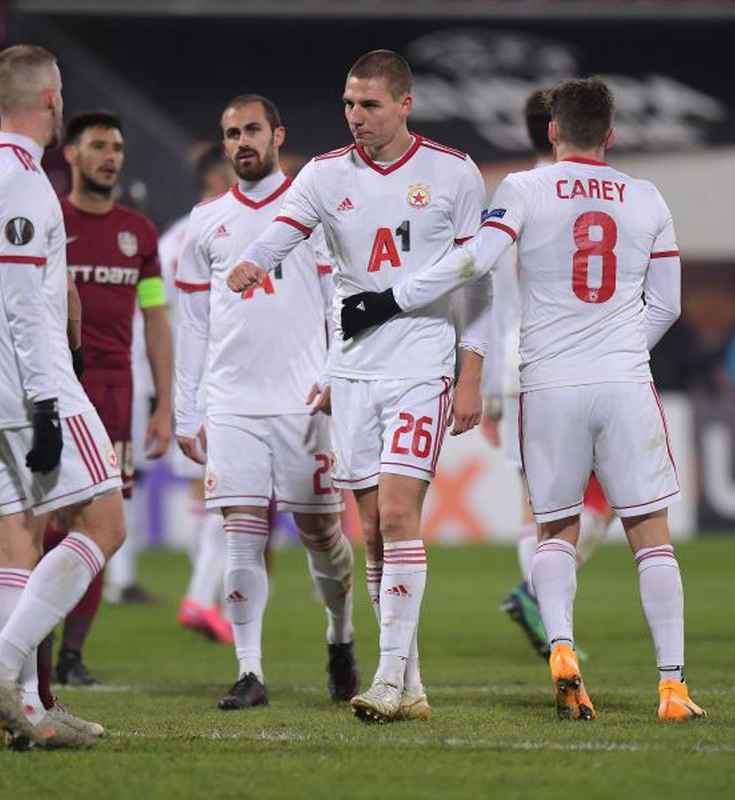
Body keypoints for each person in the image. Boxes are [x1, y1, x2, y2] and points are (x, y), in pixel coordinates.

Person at [341, 77, 706, 723]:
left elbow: (472, 264)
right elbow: (669, 304)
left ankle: (562, 650)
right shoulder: (647, 196)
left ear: (554, 131)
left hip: (548, 383)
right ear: (611, 135)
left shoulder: (523, 189)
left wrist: (388, 299)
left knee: (553, 530)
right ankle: (673, 687)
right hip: (624, 380)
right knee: (651, 537)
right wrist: (621, 348)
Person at [226, 50, 491, 723]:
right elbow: (282, 231)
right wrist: (252, 262)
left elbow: (479, 279)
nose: (356, 117)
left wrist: (472, 371)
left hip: (421, 366)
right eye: (349, 104)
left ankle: (386, 678)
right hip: (351, 371)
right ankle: (411, 684)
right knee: (372, 530)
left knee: (399, 516)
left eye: (370, 105)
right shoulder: (324, 174)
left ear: (405, 104)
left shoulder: (453, 172)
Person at [0, 44, 127, 750]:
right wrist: (49, 405)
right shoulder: (24, 182)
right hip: (31, 386)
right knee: (105, 523)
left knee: (15, 540)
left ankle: (26, 710)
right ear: (52, 98)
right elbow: (26, 302)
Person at [175, 94, 357, 710]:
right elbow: (192, 323)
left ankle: (340, 635)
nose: (242, 142)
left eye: (252, 130)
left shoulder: (312, 210)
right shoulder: (206, 220)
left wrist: (335, 372)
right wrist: (187, 408)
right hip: (232, 403)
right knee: (241, 535)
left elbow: (339, 300)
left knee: (321, 536)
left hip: (303, 401)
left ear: (278, 135)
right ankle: (249, 669)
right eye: (232, 134)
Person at [35, 110, 172, 688]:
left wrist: (164, 403)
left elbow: (155, 315)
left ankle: (72, 656)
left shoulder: (139, 234)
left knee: (101, 523)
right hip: (56, 387)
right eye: (97, 146)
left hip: (116, 392)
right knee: (51, 524)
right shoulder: (46, 220)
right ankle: (36, 649)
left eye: (116, 146)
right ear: (70, 154)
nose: (110, 156)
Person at [485, 89, 614, 660]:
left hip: (517, 363)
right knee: (608, 491)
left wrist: (489, 388)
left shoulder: (511, 194)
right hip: (580, 359)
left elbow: (490, 296)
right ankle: (540, 601)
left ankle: (540, 602)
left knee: (537, 504)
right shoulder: (591, 194)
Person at [162, 144, 234, 639]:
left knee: (200, 492)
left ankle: (208, 598)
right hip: (222, 372)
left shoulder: (170, 239)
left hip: (183, 375)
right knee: (231, 494)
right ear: (214, 178)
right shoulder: (222, 230)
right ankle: (202, 596)